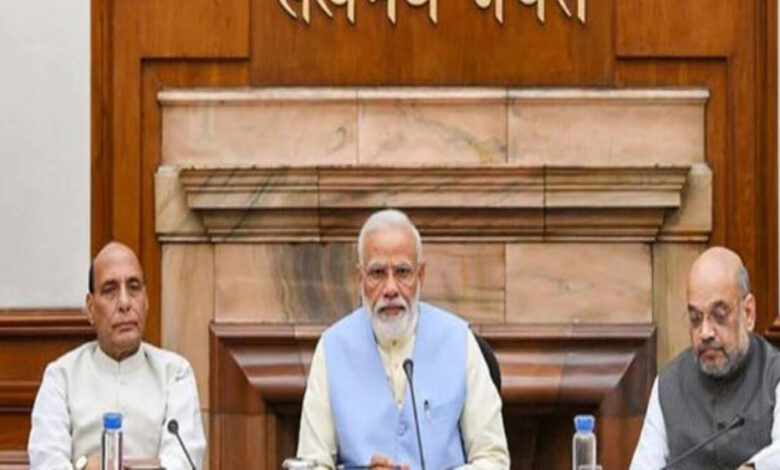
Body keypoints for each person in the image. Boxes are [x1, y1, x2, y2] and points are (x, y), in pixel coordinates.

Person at [296, 209, 510, 470]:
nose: (390, 289)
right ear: (360, 279)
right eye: (377, 273)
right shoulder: (332, 349)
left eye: (402, 272)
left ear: (420, 275)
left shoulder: (459, 341)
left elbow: (493, 459)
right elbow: (310, 463)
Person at [28, 242, 206, 470]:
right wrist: (84, 466)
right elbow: (46, 462)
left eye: (134, 288)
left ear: (146, 301)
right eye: (110, 290)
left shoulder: (175, 373)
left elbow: (182, 462)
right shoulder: (61, 377)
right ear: (90, 308)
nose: (124, 303)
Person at [630, 247, 780, 470]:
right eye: (695, 318)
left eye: (719, 316)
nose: (705, 332)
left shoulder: (774, 375)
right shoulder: (669, 385)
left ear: (748, 313)